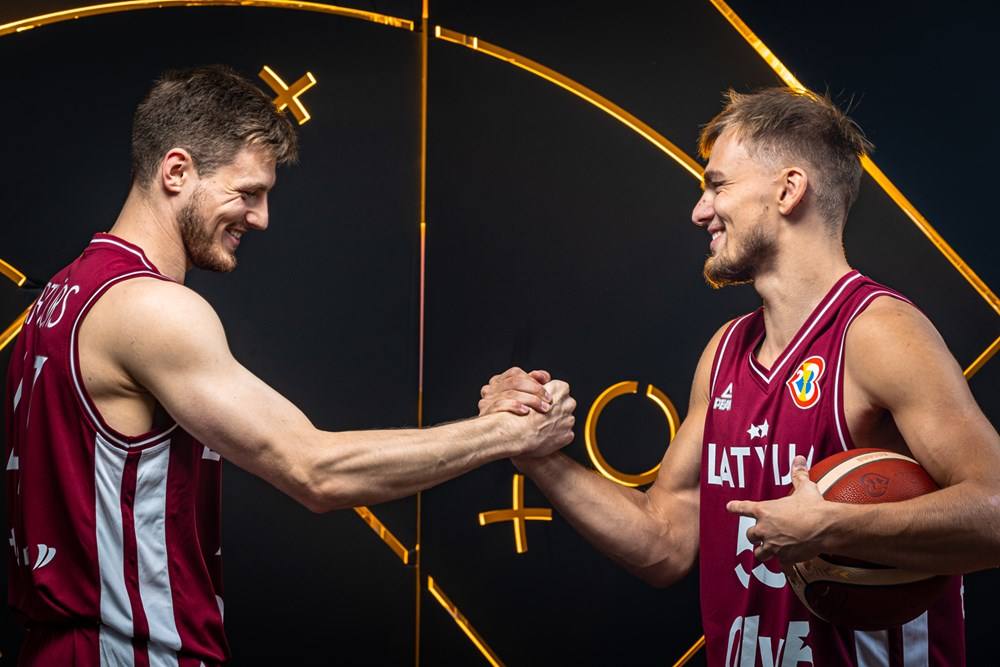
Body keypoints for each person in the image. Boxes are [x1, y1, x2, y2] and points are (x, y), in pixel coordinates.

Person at [4, 65, 576, 666]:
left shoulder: (64, 293)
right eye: (247, 192)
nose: (261, 217)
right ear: (177, 171)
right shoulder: (152, 308)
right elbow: (315, 471)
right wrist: (508, 431)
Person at [481, 88, 1000, 665]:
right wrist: (535, 455)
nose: (700, 211)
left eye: (718, 185)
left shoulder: (877, 334)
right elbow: (665, 543)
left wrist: (837, 528)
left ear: (788, 189)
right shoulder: (725, 352)